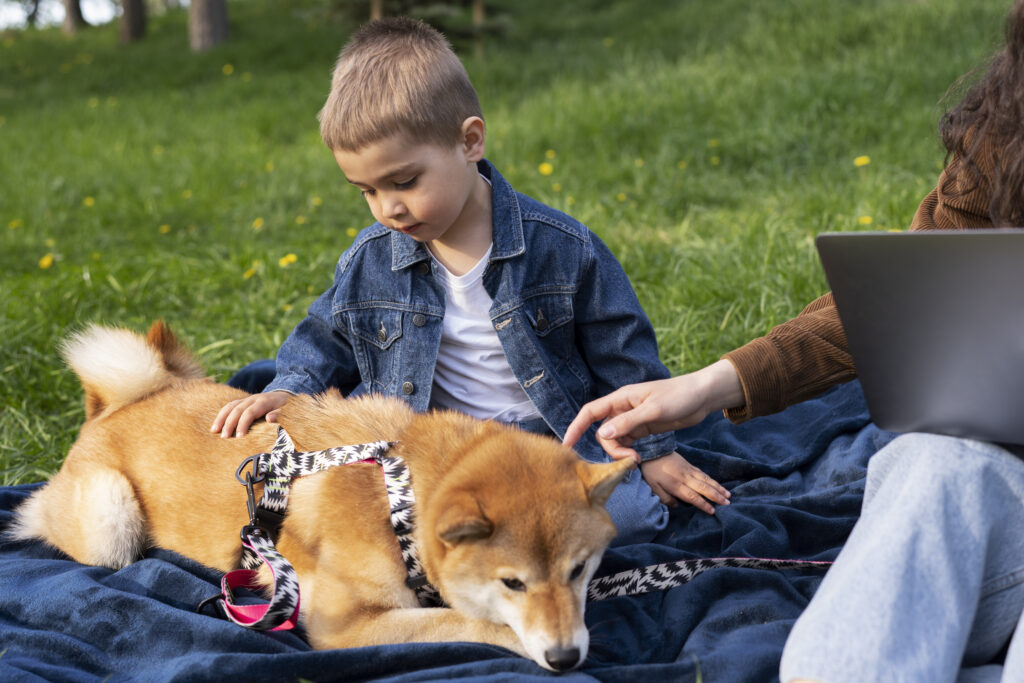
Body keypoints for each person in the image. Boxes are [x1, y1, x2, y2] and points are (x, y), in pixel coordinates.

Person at [564, 0, 1024, 678]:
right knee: (931, 461)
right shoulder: (1005, 128)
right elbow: (912, 297)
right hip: (1003, 489)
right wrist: (708, 387)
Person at [208, 17, 730, 547]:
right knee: (367, 524)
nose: (388, 207)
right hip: (434, 442)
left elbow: (623, 356)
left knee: (631, 521)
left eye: (405, 181)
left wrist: (656, 449)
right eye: (365, 190)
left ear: (470, 141)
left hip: (551, 439)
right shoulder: (372, 260)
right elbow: (325, 338)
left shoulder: (561, 248)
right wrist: (287, 389)